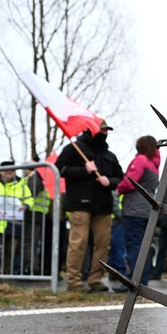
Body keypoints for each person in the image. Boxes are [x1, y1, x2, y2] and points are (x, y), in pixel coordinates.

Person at [56, 120, 124, 292]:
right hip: (79, 204)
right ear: (91, 130)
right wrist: (83, 170)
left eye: (107, 130)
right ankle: (74, 281)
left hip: (103, 205)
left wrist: (110, 181)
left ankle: (96, 279)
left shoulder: (110, 155)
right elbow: (59, 169)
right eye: (102, 130)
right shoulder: (74, 148)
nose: (105, 133)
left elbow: (120, 178)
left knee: (103, 244)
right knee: (78, 242)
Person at [116, 135, 160, 287]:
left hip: (134, 209)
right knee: (144, 246)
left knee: (134, 245)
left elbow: (130, 182)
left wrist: (118, 189)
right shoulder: (154, 165)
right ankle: (142, 280)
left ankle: (133, 281)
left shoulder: (140, 160)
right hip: (148, 210)